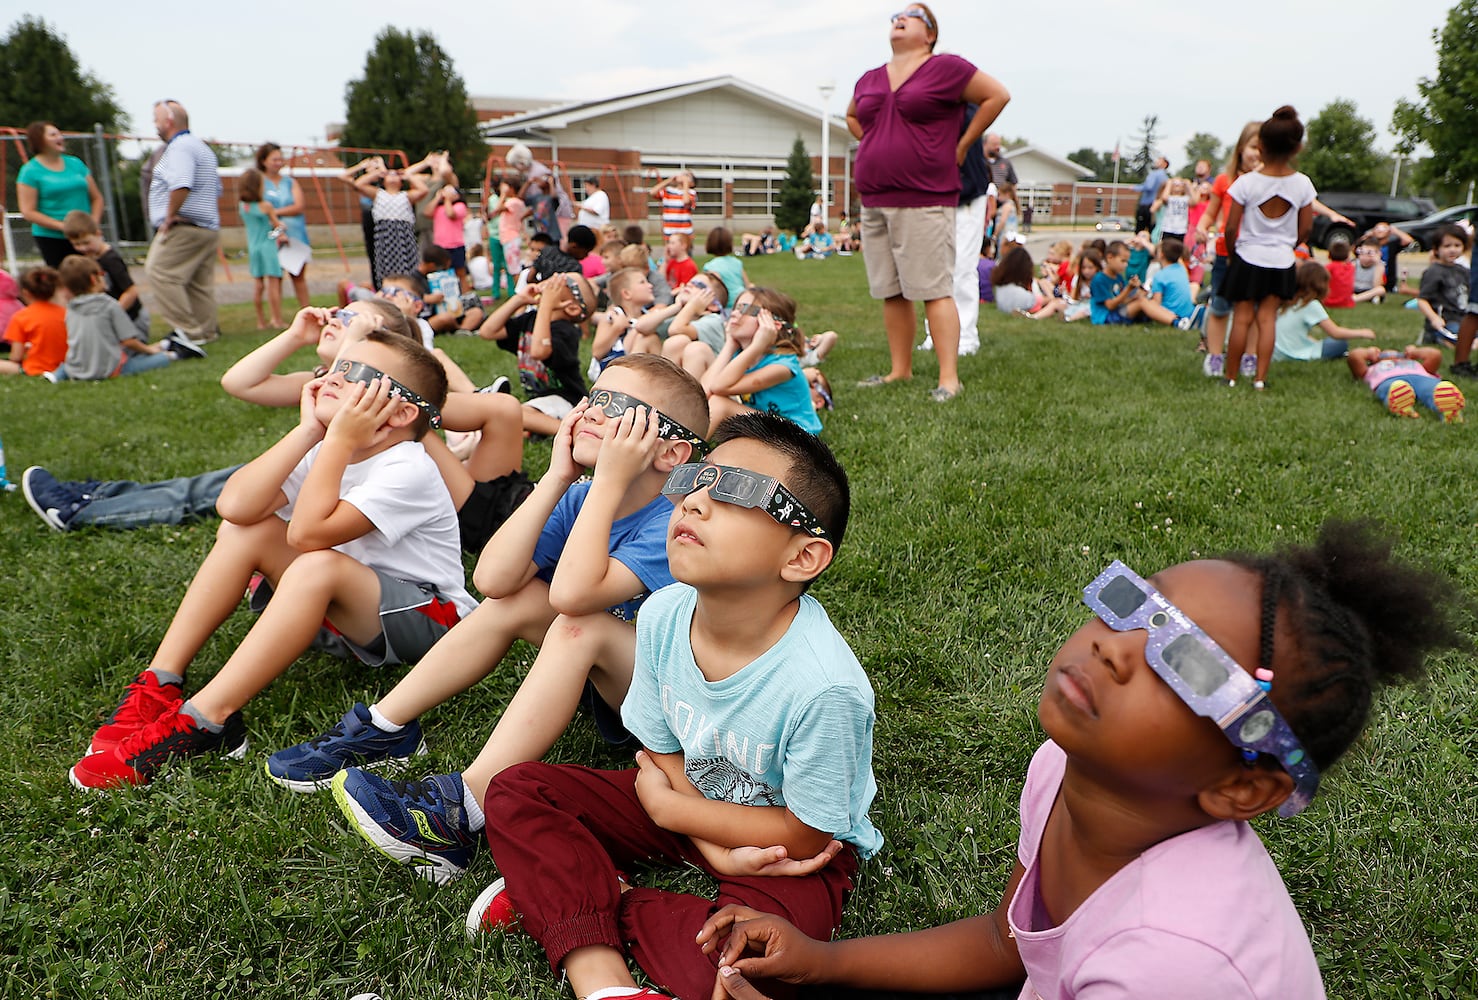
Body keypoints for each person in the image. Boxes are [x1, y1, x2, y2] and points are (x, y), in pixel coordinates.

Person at [695, 521, 1462, 1000]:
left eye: (1186, 666)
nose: (1111, 646)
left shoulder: (1174, 963)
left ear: (1242, 785)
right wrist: (822, 963)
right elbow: (1009, 944)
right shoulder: (1062, 768)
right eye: (1136, 607)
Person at [474, 412, 879, 1000]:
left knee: (753, 968)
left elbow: (810, 835)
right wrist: (696, 829)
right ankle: (605, 985)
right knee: (516, 789)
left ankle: (584, 894)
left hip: (784, 854)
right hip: (684, 795)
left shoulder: (825, 687)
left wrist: (675, 815)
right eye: (695, 480)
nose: (692, 501)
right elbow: (659, 749)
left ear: (801, 558)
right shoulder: (664, 613)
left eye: (739, 489)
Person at [319, 359, 711, 879]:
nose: (591, 412)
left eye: (618, 408)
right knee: (517, 601)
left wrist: (609, 482)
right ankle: (383, 727)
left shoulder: (674, 521)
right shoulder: (582, 497)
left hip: (680, 711)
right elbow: (494, 580)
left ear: (671, 451)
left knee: (580, 622)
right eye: (593, 398)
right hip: (621, 680)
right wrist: (555, 478)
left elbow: (575, 595)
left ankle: (462, 810)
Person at [68, 325, 477, 791]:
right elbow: (235, 507)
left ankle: (207, 721)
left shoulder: (408, 465)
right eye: (337, 365)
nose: (334, 376)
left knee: (315, 562)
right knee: (248, 530)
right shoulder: (325, 446)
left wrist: (338, 441)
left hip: (434, 625)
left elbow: (307, 536)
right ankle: (161, 681)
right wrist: (309, 432)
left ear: (402, 411)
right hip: (346, 611)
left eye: (356, 371)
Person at [849, 4, 1010, 403]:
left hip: (925, 196)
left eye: (912, 15)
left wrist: (961, 143)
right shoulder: (869, 78)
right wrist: (876, 141)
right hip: (875, 197)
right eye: (895, 16)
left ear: (930, 33)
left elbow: (997, 95)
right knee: (891, 289)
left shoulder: (946, 69)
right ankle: (899, 371)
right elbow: (853, 116)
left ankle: (949, 379)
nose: (898, 18)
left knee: (935, 288)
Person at [1223, 108, 1317, 390]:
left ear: (1260, 146)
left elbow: (1230, 227)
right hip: (1281, 260)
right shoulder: (1302, 184)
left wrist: (1231, 253)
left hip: (1248, 256)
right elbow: (1307, 228)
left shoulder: (1247, 182)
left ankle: (1230, 377)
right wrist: (1290, 243)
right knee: (1267, 319)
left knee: (1241, 319)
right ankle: (1260, 379)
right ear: (1297, 147)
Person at [478, 271, 595, 438]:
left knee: (514, 412)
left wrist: (546, 303)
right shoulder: (530, 319)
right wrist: (519, 299)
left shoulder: (566, 331)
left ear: (572, 307)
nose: (553, 278)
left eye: (564, 281)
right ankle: (533, 428)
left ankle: (574, 431)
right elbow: (488, 331)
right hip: (539, 401)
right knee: (511, 416)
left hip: (567, 400)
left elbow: (539, 351)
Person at [144, 100, 224, 344]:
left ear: (168, 122)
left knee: (159, 272)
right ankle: (206, 331)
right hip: (207, 227)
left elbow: (181, 184)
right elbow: (216, 189)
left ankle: (187, 332)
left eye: (156, 120)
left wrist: (169, 217)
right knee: (198, 283)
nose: (155, 125)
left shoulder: (179, 148)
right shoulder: (201, 148)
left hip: (184, 226)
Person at [701, 287, 822, 435]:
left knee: (720, 404)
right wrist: (729, 345)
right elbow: (704, 393)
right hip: (768, 430)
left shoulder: (782, 367)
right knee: (716, 400)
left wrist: (758, 345)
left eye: (748, 310)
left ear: (773, 325)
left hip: (797, 439)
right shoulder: (741, 356)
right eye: (736, 307)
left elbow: (718, 388)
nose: (735, 314)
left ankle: (688, 453)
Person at [1194, 122, 1262, 379]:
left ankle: (1250, 355)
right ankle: (1214, 356)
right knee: (1220, 306)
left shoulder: (1269, 181)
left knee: (1254, 309)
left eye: (1263, 149)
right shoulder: (1224, 181)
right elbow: (1210, 213)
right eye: (1254, 147)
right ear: (1241, 148)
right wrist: (1202, 226)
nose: (1257, 154)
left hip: (1257, 254)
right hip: (1226, 252)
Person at [55, 256, 176, 381]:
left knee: (66, 365)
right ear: (93, 279)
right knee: (161, 358)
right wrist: (149, 350)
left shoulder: (71, 310)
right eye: (102, 274)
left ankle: (56, 375)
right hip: (110, 369)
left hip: (77, 369)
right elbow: (128, 341)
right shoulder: (109, 305)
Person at [16, 121, 104, 267]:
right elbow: (28, 211)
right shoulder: (29, 171)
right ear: (40, 140)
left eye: (59, 133)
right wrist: (64, 227)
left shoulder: (75, 164)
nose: (60, 137)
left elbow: (97, 198)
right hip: (52, 238)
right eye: (53, 135)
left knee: (93, 277)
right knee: (65, 282)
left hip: (86, 235)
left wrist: (92, 224)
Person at [341, 156, 430, 290]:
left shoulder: (406, 195)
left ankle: (408, 289)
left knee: (407, 266)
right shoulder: (378, 194)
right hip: (385, 234)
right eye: (389, 175)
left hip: (403, 234)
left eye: (396, 175)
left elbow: (423, 190)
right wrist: (376, 173)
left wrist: (408, 175)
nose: (393, 176)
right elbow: (359, 184)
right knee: (386, 267)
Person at [60, 210, 152, 340]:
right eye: (77, 244)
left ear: (98, 234)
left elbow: (131, 291)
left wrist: (113, 313)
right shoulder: (90, 258)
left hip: (132, 318)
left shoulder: (110, 259)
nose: (83, 248)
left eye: (86, 242)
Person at [1272, 261, 1375, 362]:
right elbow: (1335, 333)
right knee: (1340, 343)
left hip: (1275, 354)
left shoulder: (1288, 301)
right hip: (1295, 354)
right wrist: (1363, 333)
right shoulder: (1311, 304)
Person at [257, 143, 312, 310]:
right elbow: (258, 207)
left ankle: (307, 309)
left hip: (295, 233)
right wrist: (272, 216)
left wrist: (273, 211)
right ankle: (276, 317)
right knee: (275, 276)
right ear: (264, 161)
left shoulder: (290, 182)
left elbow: (299, 206)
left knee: (298, 275)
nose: (278, 163)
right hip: (271, 235)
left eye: (281, 159)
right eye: (274, 159)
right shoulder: (259, 182)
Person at [1347, 345, 1465, 422]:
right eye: (1385, 354)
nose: (1394, 357)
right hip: (1389, 380)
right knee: (1393, 388)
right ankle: (1401, 405)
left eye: (1398, 354)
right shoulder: (1372, 369)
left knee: (1432, 389)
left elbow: (1435, 355)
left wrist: (1416, 352)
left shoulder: (1416, 365)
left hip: (1421, 378)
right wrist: (1368, 352)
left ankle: (1450, 412)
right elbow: (1354, 357)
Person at [238, 167, 287, 329]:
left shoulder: (243, 206)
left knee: (258, 285)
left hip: (253, 247)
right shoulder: (265, 206)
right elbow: (276, 227)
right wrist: (281, 228)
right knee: (273, 283)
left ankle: (260, 322)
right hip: (268, 246)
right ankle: (277, 319)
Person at [0, 266, 67, 378]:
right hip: (65, 366)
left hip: (36, 368)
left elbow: (16, 357)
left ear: (26, 293)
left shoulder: (21, 317)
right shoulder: (66, 313)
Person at [1415, 225, 1471, 346]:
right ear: (1436, 249)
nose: (1452, 250)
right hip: (1445, 321)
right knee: (1459, 337)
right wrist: (1434, 318)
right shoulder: (1434, 271)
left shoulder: (1463, 271)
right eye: (1447, 246)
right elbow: (1422, 300)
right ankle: (1440, 339)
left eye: (1457, 245)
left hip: (1463, 318)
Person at [426, 183, 471, 292]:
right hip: (440, 245)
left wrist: (448, 200)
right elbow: (427, 212)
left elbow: (450, 214)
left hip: (455, 245)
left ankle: (465, 296)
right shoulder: (438, 207)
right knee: (440, 272)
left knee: (460, 273)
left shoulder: (460, 206)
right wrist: (437, 198)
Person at [703, 227, 749, 307]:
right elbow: (747, 284)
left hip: (726, 304)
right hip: (741, 300)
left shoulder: (709, 267)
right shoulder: (737, 262)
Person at [650, 171, 697, 236]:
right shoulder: (668, 191)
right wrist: (669, 180)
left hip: (685, 232)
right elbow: (652, 192)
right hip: (669, 231)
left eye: (687, 176)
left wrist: (685, 183)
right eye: (682, 174)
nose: (682, 176)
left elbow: (686, 201)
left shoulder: (691, 193)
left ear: (692, 183)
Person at [1135, 155, 1170, 235]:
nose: (1156, 162)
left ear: (1165, 164)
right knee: (1152, 228)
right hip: (1157, 205)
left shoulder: (1155, 174)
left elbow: (1148, 186)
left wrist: (1135, 187)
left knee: (1140, 229)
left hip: (1147, 204)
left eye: (1159, 160)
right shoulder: (1166, 177)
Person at [1351, 237, 1387, 305]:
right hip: (1354, 288)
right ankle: (1359, 298)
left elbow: (1376, 285)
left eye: (1369, 253)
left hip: (1369, 290)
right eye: (1362, 252)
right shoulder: (1354, 263)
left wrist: (1377, 264)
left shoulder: (1379, 266)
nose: (1365, 257)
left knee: (1381, 290)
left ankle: (1355, 298)